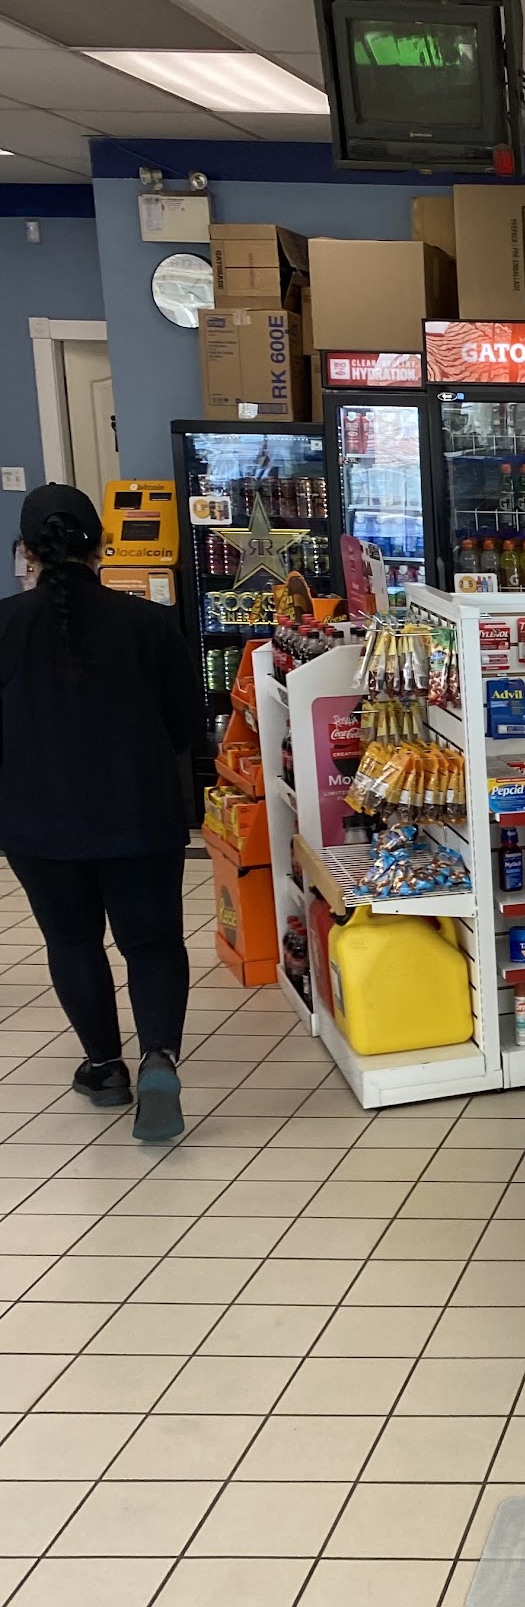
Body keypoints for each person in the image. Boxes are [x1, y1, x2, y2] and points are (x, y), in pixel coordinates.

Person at [0, 485, 203, 1140]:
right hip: (140, 813)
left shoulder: (3, 624)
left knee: (72, 942)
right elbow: (185, 728)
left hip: (36, 821)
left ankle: (104, 1067)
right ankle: (158, 1060)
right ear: (102, 546)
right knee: (152, 943)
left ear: (27, 551)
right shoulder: (149, 624)